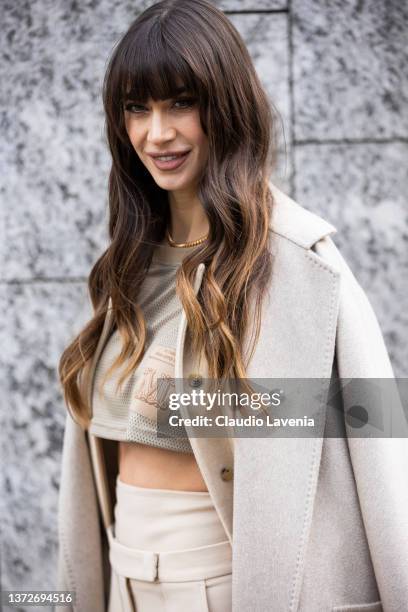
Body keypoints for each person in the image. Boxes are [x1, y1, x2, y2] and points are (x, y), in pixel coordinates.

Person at [56, 1, 408, 611]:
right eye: (137, 107)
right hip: (124, 584)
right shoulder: (130, 265)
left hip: (225, 585)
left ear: (226, 106)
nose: (156, 133)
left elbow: (369, 423)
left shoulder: (297, 260)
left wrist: (188, 398)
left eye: (181, 102)